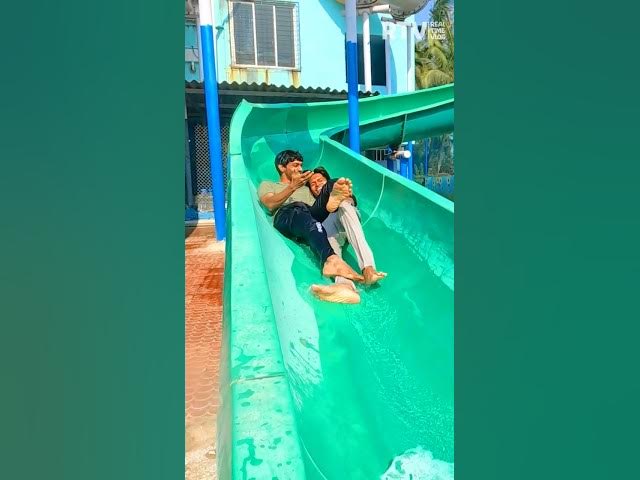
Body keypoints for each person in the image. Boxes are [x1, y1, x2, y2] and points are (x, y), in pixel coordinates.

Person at [257, 150, 364, 303]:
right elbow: (269, 204)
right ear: (282, 167)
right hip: (287, 216)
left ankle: (344, 283)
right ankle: (331, 260)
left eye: (301, 165)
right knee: (301, 209)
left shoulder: (306, 188)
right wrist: (292, 187)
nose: (300, 169)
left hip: (310, 216)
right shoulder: (268, 184)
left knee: (325, 196)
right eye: (295, 165)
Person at [308, 167, 387, 287]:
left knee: (344, 204)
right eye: (312, 184)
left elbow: (350, 199)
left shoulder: (338, 190)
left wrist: (343, 198)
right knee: (325, 234)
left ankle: (368, 268)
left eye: (320, 180)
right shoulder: (314, 204)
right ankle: (344, 284)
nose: (317, 184)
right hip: (330, 230)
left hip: (348, 220)